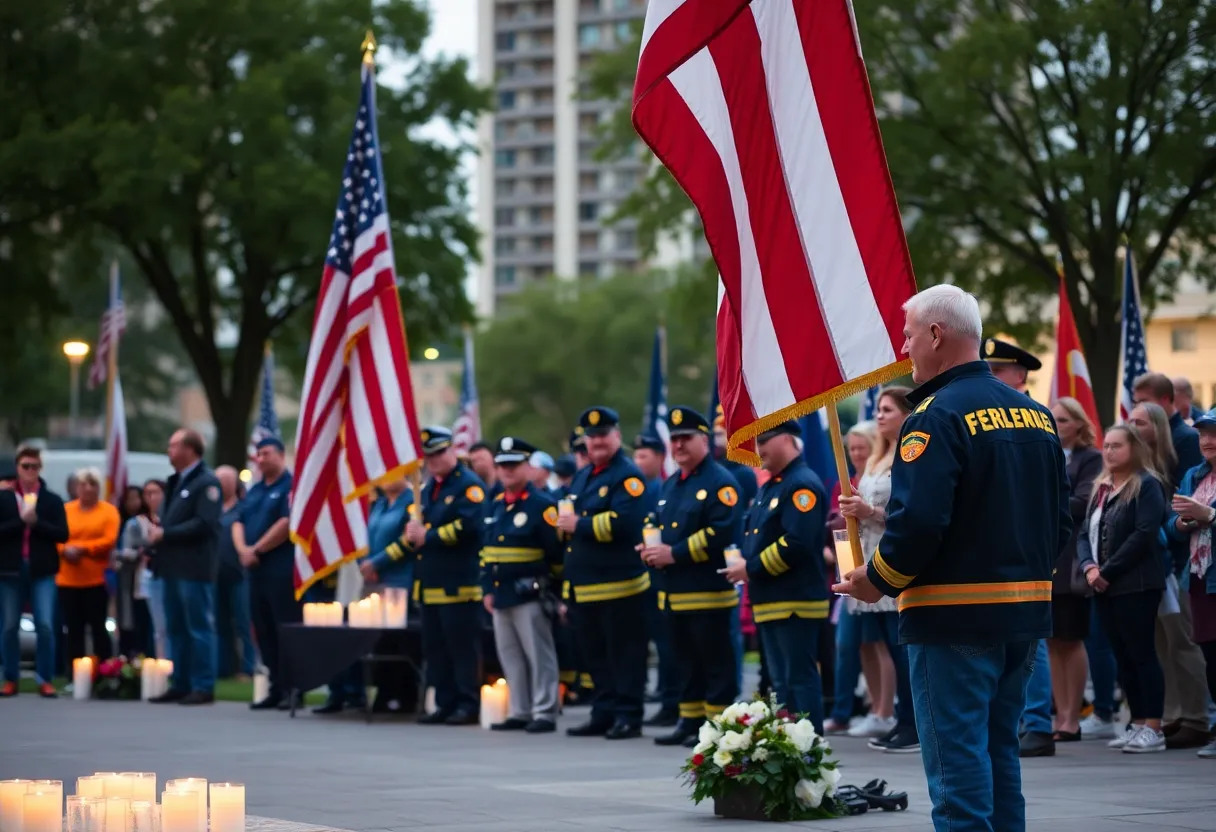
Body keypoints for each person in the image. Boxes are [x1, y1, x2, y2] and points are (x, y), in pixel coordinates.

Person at [835, 285, 1070, 832]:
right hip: (1023, 616)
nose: (905, 345)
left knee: (958, 768)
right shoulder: (1036, 415)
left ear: (937, 335)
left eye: (910, 334)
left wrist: (876, 580)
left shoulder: (934, 418)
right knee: (998, 759)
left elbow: (918, 525)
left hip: (951, 618)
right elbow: (1060, 521)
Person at [642, 406, 741, 747]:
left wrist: (674, 553)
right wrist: (650, 547)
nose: (679, 446)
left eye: (685, 438)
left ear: (703, 440)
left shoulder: (720, 482)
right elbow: (655, 522)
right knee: (683, 662)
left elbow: (721, 532)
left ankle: (717, 726)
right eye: (674, 439)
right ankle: (689, 721)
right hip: (673, 592)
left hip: (707, 592)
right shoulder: (671, 483)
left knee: (714, 664)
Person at [723, 420, 830, 733]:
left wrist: (751, 567)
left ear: (786, 439)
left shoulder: (802, 484)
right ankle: (790, 748)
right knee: (782, 683)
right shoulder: (774, 483)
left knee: (799, 679)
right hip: (772, 598)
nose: (758, 450)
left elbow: (797, 541)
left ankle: (811, 748)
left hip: (794, 600)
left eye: (764, 441)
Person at [982, 336, 1057, 759]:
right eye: (987, 369)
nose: (990, 377)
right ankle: (1020, 722)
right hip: (1000, 547)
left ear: (1020, 375)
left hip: (1028, 547)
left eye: (998, 370)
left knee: (1031, 641)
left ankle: (1039, 723)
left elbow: (1052, 492)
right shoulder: (990, 415)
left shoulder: (1038, 418)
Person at [557, 406, 651, 739]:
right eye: (591, 436)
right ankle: (604, 710)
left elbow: (625, 523)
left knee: (625, 655)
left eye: (602, 435)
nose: (596, 441)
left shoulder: (628, 476)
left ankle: (628, 714)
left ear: (616, 436)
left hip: (621, 586)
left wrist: (578, 524)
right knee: (594, 656)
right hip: (586, 586)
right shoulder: (584, 475)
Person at [1129, 377, 1211, 751]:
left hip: (1184, 566)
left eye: (1141, 419)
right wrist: (1181, 523)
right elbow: (1175, 519)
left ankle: (1196, 718)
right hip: (1175, 561)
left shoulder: (1181, 448)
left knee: (1186, 643)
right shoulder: (1187, 470)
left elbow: (1188, 508)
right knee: (1167, 644)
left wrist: (1193, 519)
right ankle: (1176, 715)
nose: (1133, 427)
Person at [1077, 425, 1169, 753]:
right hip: (1103, 585)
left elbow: (1143, 535)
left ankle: (1154, 727)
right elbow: (1083, 532)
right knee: (1123, 656)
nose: (1109, 451)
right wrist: (1089, 567)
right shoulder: (1102, 486)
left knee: (1142, 653)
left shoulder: (1146, 484)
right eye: (1107, 446)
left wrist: (1107, 571)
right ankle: (1137, 723)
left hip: (1136, 584)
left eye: (1117, 446)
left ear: (1135, 449)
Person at [840, 388, 920, 754]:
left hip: (895, 560)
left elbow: (912, 515)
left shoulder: (910, 455)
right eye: (881, 409)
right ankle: (896, 717)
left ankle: (911, 721)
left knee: (901, 648)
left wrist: (869, 512)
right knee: (884, 644)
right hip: (870, 556)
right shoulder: (878, 457)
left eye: (888, 410)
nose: (881, 415)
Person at [480, 436, 562, 733]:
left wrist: (555, 592)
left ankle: (544, 711)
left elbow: (556, 554)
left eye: (514, 465)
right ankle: (520, 709)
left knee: (539, 655)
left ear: (528, 467)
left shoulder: (543, 506)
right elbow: (486, 551)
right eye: (503, 466)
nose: (507, 471)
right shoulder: (496, 503)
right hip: (501, 593)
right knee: (510, 655)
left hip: (530, 592)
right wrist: (487, 588)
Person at [411, 425, 488, 725]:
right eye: (429, 455)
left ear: (453, 450)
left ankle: (467, 703)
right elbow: (419, 524)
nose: (434, 460)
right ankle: (444, 702)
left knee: (462, 649)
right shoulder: (428, 488)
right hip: (431, 583)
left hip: (460, 584)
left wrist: (426, 536)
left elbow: (468, 527)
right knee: (437, 649)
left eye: (440, 453)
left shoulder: (469, 486)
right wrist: (412, 533)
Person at [146, 429, 222, 706]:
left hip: (194, 567)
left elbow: (204, 523)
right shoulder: (175, 481)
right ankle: (181, 682)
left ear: (190, 450)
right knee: (176, 627)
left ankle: (203, 685)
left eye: (173, 445)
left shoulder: (207, 482)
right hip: (170, 566)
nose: (169, 451)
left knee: (198, 627)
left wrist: (166, 534)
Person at [1047, 397, 1103, 743]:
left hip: (1072, 559)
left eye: (1064, 420)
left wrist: (1042, 500)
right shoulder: (1048, 453)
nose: (1057, 425)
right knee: (1052, 641)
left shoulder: (1091, 458)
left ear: (1080, 425)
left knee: (1071, 638)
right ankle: (1060, 713)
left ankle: (1074, 716)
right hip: (1047, 556)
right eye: (1053, 419)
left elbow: (1083, 502)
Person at [1166, 407, 1216, 758]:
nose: (1208, 441)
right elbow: (1171, 527)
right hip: (1199, 579)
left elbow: (1205, 516)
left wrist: (1208, 515)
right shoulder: (1194, 476)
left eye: (1214, 434)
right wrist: (1184, 523)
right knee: (1211, 655)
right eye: (1202, 434)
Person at [236, 437, 299, 711]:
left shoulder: (290, 486)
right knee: (263, 631)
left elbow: (287, 523)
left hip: (280, 570)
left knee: (284, 629)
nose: (260, 459)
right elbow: (238, 520)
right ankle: (275, 687)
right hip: (255, 571)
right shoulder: (256, 489)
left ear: (281, 455)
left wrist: (257, 550)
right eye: (258, 454)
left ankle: (291, 688)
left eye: (266, 453)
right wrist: (243, 551)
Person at [0, 448, 68, 698]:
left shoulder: (51, 499)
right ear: (17, 468)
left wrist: (37, 522)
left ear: (40, 469)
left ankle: (45, 679)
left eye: (34, 467)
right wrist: (21, 521)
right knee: (8, 626)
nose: (30, 472)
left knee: (46, 625)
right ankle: (10, 678)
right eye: (25, 466)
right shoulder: (5, 498)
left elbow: (63, 534)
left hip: (42, 570)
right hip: (10, 569)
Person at [824, 420, 878, 734]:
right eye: (852, 448)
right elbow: (839, 528)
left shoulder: (877, 479)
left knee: (879, 644)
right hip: (847, 566)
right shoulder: (843, 483)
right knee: (849, 644)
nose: (856, 453)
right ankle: (843, 710)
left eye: (861, 447)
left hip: (875, 569)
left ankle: (884, 710)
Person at [350, 476, 415, 714]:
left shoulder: (412, 502)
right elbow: (364, 537)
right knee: (376, 640)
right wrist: (364, 563)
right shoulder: (378, 504)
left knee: (395, 641)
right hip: (373, 582)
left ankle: (399, 695)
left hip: (399, 581)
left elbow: (408, 540)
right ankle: (381, 692)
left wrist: (377, 563)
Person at [633, 433, 679, 728]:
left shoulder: (662, 487)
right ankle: (666, 697)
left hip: (666, 576)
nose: (638, 461)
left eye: (644, 455)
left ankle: (671, 701)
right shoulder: (646, 488)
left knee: (669, 644)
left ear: (661, 458)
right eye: (636, 456)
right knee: (659, 644)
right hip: (648, 575)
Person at [58, 468, 121, 669]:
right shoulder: (66, 510)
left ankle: (105, 672)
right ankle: (75, 675)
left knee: (98, 628)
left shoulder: (108, 511)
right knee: (73, 629)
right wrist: (64, 549)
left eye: (92, 484)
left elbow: (109, 539)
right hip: (67, 579)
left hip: (95, 579)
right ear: (76, 488)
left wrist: (83, 549)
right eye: (83, 484)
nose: (87, 488)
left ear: (98, 488)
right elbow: (56, 535)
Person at [213, 466, 256, 681]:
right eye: (220, 480)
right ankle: (224, 667)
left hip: (239, 574)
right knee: (221, 624)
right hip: (215, 574)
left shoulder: (243, 508)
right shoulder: (211, 509)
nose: (224, 485)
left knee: (243, 622)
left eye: (228, 480)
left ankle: (248, 668)